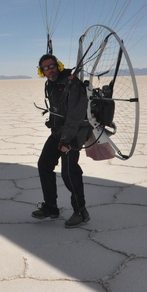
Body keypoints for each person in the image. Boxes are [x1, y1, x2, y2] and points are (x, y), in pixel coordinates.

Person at [32, 54, 92, 228]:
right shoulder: (51, 84)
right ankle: (51, 207)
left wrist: (66, 140)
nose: (49, 70)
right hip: (58, 132)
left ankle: (81, 212)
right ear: (41, 71)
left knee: (69, 172)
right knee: (44, 164)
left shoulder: (72, 84)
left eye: (52, 66)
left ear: (58, 65)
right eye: (45, 68)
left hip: (73, 134)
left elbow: (75, 115)